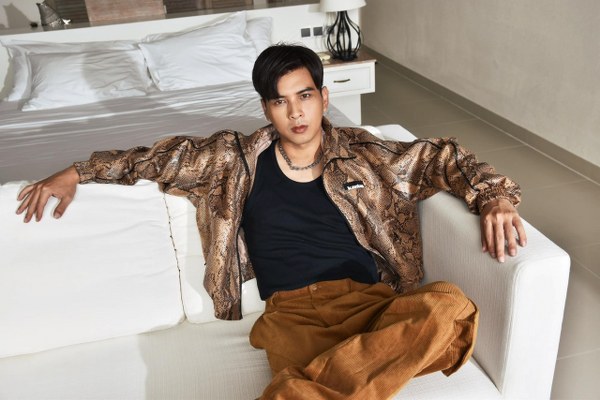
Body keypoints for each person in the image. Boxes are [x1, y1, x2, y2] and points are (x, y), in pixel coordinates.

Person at [16, 44, 527, 399]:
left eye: (305, 96)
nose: (296, 113)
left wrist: (495, 198)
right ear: (267, 109)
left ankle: (301, 391)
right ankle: (351, 375)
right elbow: (157, 159)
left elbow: (443, 157)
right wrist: (77, 172)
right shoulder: (232, 159)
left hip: (370, 305)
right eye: (281, 101)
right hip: (291, 315)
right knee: (444, 338)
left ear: (324, 98)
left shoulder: (365, 153)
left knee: (450, 304)